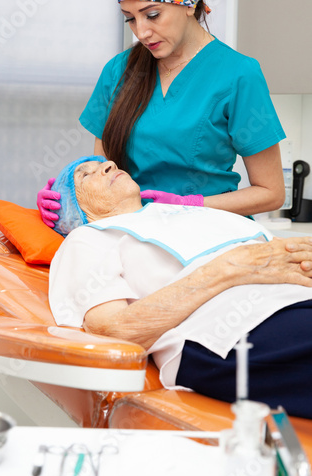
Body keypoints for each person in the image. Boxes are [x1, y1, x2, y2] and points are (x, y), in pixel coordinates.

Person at [49, 156, 312, 419]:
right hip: (229, 330)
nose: (108, 165)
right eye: (85, 175)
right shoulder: (87, 237)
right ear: (76, 211)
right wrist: (230, 268)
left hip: (295, 298)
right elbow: (112, 331)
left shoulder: (192, 213)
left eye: (105, 163)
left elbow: (282, 252)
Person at [38, 0, 286, 229]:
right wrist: (65, 200)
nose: (142, 32)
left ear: (190, 5)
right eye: (130, 19)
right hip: (134, 234)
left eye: (152, 15)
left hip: (211, 232)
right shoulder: (118, 71)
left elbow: (271, 193)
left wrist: (189, 205)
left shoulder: (239, 74)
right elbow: (103, 172)